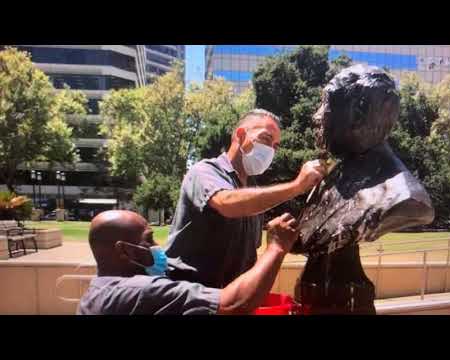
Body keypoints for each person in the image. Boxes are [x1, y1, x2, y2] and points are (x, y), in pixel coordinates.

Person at [165, 109, 326, 288]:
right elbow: (226, 203)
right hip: (187, 297)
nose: (271, 150)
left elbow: (246, 258)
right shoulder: (204, 171)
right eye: (266, 139)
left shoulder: (252, 193)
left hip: (227, 300)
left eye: (275, 146)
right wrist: (297, 186)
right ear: (240, 135)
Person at [77, 210, 299, 315]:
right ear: (124, 251)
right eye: (149, 239)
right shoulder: (141, 291)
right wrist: (276, 247)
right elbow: (234, 304)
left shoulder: (95, 292)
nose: (157, 246)